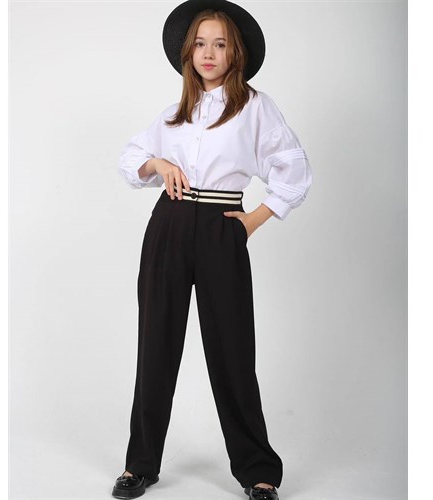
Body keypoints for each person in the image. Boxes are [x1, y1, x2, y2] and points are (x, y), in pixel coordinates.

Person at [112, 1, 313, 499]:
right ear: (188, 52)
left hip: (224, 226)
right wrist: (159, 164)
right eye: (200, 43)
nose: (208, 53)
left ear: (235, 52)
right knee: (156, 344)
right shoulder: (174, 113)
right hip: (169, 224)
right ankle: (140, 464)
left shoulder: (255, 107)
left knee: (232, 349)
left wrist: (254, 220)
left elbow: (294, 170)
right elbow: (130, 160)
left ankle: (258, 470)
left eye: (219, 44)